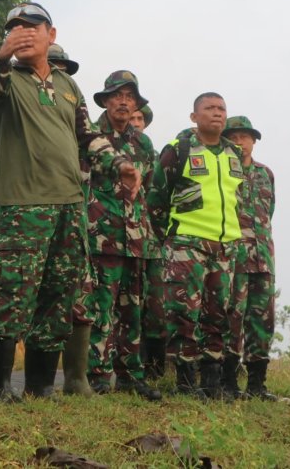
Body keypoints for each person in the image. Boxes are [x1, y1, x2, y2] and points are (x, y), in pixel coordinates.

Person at [0, 2, 141, 402]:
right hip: (24, 206)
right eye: (14, 27)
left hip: (69, 205)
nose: (23, 32)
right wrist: (0, 55)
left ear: (52, 34)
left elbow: (87, 137)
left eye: (32, 26)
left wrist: (119, 164)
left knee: (58, 296)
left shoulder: (68, 86)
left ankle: (41, 387)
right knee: (15, 294)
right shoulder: (7, 80)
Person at [148, 92, 243, 399]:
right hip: (187, 244)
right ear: (194, 117)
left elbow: (235, 199)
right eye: (209, 108)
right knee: (184, 314)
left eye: (221, 108)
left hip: (224, 246)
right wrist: (172, 238)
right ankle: (186, 385)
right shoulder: (179, 150)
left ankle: (212, 385)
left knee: (218, 316)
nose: (217, 113)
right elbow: (156, 200)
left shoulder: (233, 153)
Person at [85, 71, 161, 401]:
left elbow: (153, 190)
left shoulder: (142, 143)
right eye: (118, 95)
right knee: (102, 308)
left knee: (133, 311)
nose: (124, 101)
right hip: (103, 237)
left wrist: (152, 235)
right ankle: (98, 377)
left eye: (130, 96)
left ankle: (132, 376)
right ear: (105, 100)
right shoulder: (89, 135)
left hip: (138, 239)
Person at [221, 116, 277, 400]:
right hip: (235, 259)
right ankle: (228, 384)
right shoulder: (223, 172)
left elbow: (269, 213)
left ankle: (257, 386)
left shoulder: (266, 173)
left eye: (245, 136)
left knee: (262, 321)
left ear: (253, 141)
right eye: (234, 136)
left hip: (263, 261)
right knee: (232, 319)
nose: (240, 142)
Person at [130, 104, 168, 379]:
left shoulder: (155, 156)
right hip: (115, 240)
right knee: (125, 305)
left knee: (156, 305)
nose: (135, 122)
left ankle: (154, 369)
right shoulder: (102, 149)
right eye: (131, 118)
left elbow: (163, 198)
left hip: (153, 242)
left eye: (140, 118)